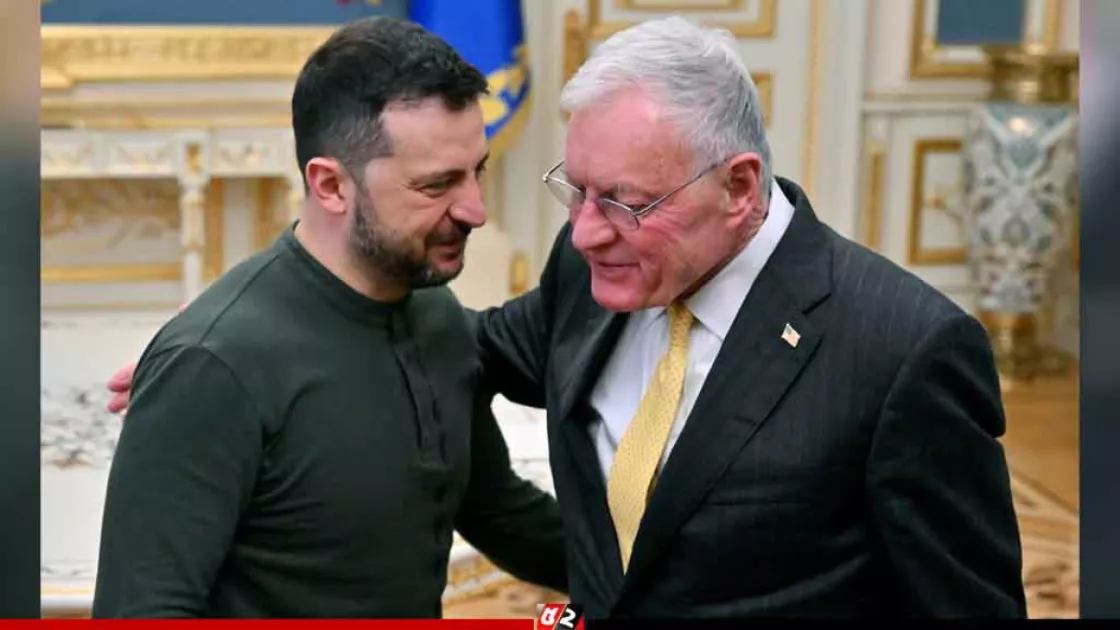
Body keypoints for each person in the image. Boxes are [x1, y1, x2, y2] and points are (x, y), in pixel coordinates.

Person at [107, 16, 1027, 620]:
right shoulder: (595, 267)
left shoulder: (904, 351)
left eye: (623, 201)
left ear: (739, 187)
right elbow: (422, 346)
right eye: (575, 191)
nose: (585, 232)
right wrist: (238, 335)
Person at [91, 16, 566, 619]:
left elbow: (495, 508)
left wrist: (665, 580)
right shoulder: (212, 366)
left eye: (478, 171)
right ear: (331, 185)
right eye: (437, 185)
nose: (474, 208)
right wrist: (201, 359)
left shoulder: (435, 312)